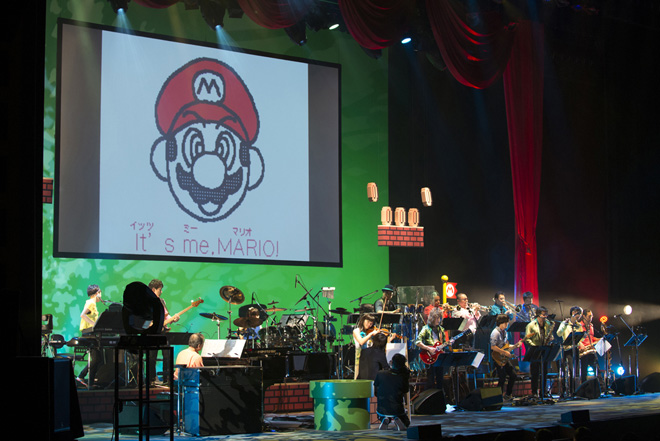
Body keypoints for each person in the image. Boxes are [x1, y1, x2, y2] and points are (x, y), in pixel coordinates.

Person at [148, 279, 177, 385]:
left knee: (167, 354)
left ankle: (167, 378)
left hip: (163, 332)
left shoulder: (161, 301)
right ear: (153, 290)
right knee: (152, 356)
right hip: (152, 333)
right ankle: (151, 379)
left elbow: (166, 316)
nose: (161, 291)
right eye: (160, 289)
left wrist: (173, 319)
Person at [523, 306, 554, 397]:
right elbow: (527, 339)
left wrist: (550, 338)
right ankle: (534, 392)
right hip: (535, 350)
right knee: (535, 373)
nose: (546, 316)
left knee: (544, 372)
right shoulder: (531, 325)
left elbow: (550, 335)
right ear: (538, 315)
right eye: (544, 314)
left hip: (544, 349)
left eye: (546, 314)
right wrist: (534, 346)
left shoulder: (547, 324)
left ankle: (543, 392)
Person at [374, 353, 411, 429]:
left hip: (381, 408)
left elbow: (376, 391)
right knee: (406, 423)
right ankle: (396, 418)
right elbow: (405, 390)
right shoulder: (402, 377)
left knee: (383, 411)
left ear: (392, 362)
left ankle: (386, 418)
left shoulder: (380, 374)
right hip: (397, 408)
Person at [77, 284, 103, 387]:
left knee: (99, 359)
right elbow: (82, 315)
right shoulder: (91, 303)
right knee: (97, 359)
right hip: (88, 334)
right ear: (97, 293)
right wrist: (94, 325)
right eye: (100, 293)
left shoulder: (92, 303)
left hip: (90, 333)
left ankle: (90, 381)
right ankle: (82, 376)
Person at [490, 314, 522, 400]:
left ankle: (508, 394)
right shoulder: (495, 332)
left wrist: (515, 345)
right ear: (502, 322)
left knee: (513, 375)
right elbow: (493, 347)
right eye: (506, 322)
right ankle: (498, 397)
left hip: (503, 357)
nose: (507, 324)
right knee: (502, 377)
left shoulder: (505, 332)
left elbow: (505, 346)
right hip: (497, 358)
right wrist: (504, 352)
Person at [415, 308, 447, 391]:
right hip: (429, 356)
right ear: (432, 318)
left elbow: (443, 343)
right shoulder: (426, 328)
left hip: (439, 357)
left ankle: (440, 395)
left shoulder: (441, 329)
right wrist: (428, 348)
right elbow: (417, 341)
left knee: (440, 380)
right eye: (437, 318)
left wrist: (448, 343)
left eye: (440, 318)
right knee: (430, 380)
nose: (438, 320)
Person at [557, 306, 585, 395]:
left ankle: (573, 390)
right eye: (577, 313)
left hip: (575, 348)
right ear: (572, 313)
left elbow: (580, 338)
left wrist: (582, 338)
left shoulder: (578, 325)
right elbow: (559, 334)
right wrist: (564, 325)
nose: (578, 316)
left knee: (574, 370)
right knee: (566, 370)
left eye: (579, 314)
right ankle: (564, 390)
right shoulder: (564, 323)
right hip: (566, 349)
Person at [353, 313, 380, 379]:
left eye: (371, 323)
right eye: (368, 322)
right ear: (363, 320)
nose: (369, 325)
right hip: (360, 357)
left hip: (370, 358)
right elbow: (361, 342)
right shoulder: (356, 331)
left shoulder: (370, 331)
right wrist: (370, 334)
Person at [578, 309, 599, 383]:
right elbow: (577, 339)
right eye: (589, 316)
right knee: (584, 371)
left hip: (590, 351)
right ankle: (584, 385)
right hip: (583, 352)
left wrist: (599, 339)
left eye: (592, 316)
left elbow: (591, 338)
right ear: (584, 316)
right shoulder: (579, 326)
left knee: (596, 369)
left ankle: (599, 385)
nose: (591, 318)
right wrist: (581, 344)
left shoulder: (591, 326)